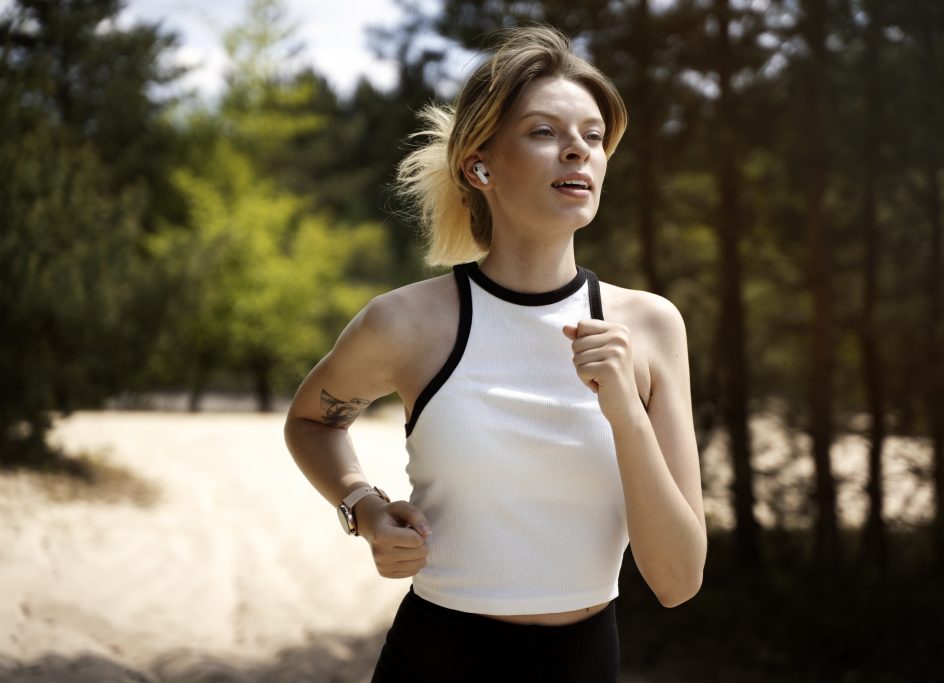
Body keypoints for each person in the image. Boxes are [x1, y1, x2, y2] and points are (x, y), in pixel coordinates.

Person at [283, 24, 706, 683]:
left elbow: (678, 579)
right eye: (544, 132)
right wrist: (362, 508)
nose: (578, 151)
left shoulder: (649, 327)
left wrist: (625, 411)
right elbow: (311, 419)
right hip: (438, 659)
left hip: (586, 662)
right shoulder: (408, 321)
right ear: (480, 166)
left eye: (594, 137)